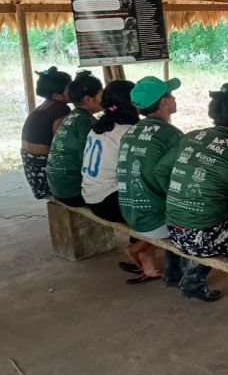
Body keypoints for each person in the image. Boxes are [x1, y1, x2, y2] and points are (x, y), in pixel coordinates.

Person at [159, 83, 228, 302]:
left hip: (172, 227)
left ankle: (172, 273)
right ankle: (193, 282)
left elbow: (160, 170)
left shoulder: (192, 136)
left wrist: (176, 198)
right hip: (202, 238)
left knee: (205, 221)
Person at [80, 80, 155, 282]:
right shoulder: (128, 131)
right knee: (156, 204)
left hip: (90, 195)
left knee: (136, 194)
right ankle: (142, 255)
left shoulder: (99, 125)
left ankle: (142, 257)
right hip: (108, 201)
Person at [118, 76, 185, 286]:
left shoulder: (130, 132)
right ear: (163, 102)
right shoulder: (171, 135)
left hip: (129, 212)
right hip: (156, 221)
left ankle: (140, 248)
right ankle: (181, 276)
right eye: (170, 95)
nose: (174, 98)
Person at [47, 71, 103, 207]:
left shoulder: (72, 116)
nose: (105, 99)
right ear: (89, 99)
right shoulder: (86, 122)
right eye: (102, 94)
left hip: (57, 186)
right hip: (73, 192)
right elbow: (87, 160)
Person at [20, 67, 72, 199]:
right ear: (56, 95)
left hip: (33, 171)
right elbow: (61, 144)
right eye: (69, 87)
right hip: (44, 174)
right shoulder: (61, 109)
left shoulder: (44, 107)